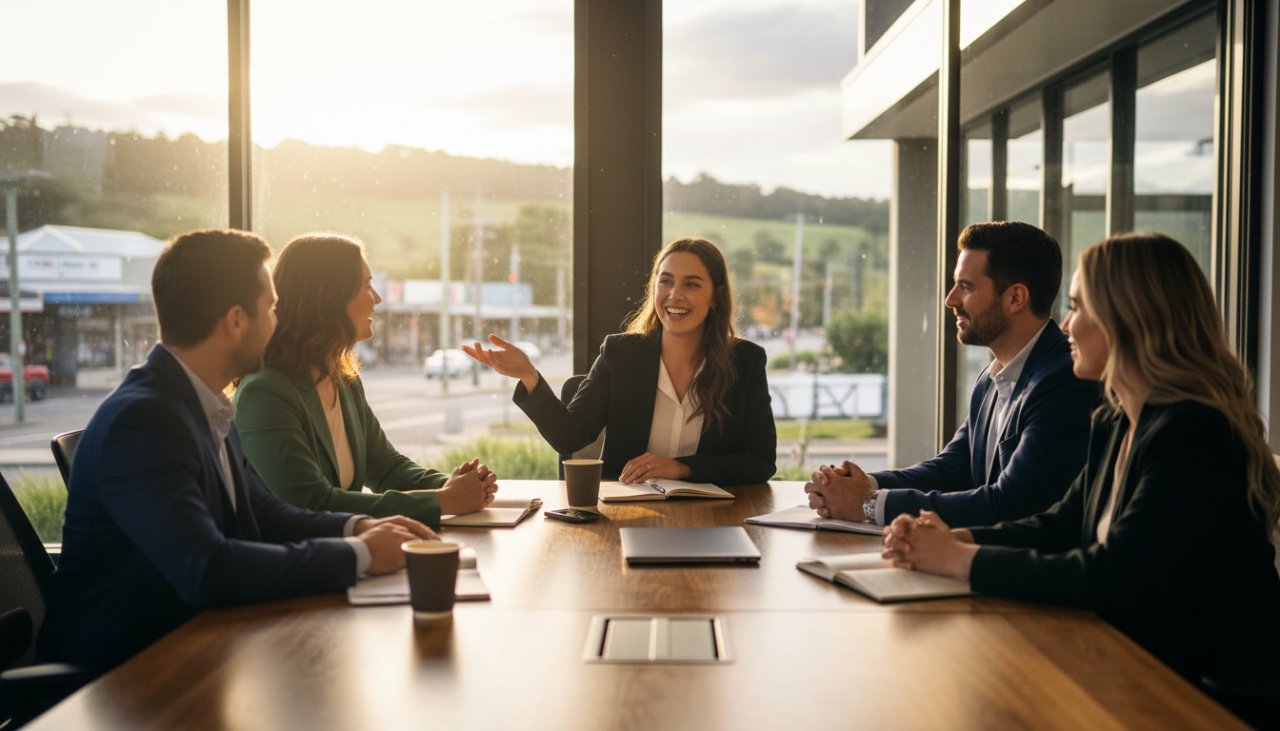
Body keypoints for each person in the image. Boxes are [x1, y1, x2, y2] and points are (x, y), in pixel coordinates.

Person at [881, 232, 1280, 685]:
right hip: (1139, 663)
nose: (1065, 325)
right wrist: (953, 536)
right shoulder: (1117, 420)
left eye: (1077, 306)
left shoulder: (1194, 435)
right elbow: (1062, 524)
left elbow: (1112, 576)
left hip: (1209, 693)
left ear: (1130, 320)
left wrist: (957, 559)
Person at [40, 229, 436, 674]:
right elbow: (207, 568)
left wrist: (360, 525)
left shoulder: (200, 404)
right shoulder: (144, 421)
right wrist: (359, 555)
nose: (278, 321)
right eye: (270, 308)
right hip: (123, 678)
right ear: (235, 321)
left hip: (196, 646)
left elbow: (263, 513)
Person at [806, 221, 1098, 527]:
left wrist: (869, 504)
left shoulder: (1064, 380)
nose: (951, 300)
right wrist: (862, 484)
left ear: (1015, 298)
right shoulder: (992, 376)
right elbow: (951, 469)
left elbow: (1012, 502)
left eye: (966, 287)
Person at [464, 236, 775, 485]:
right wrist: (529, 375)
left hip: (715, 520)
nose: (674, 295)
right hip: (629, 512)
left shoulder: (745, 362)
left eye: (691, 284)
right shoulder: (622, 354)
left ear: (716, 298)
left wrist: (681, 469)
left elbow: (760, 463)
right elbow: (570, 436)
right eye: (665, 281)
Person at [234, 234, 497, 529]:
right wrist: (444, 500)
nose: (377, 299)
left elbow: (385, 468)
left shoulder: (342, 378)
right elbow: (313, 503)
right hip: (296, 565)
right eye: (366, 286)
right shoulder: (265, 393)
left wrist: (461, 486)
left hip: (349, 554)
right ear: (328, 298)